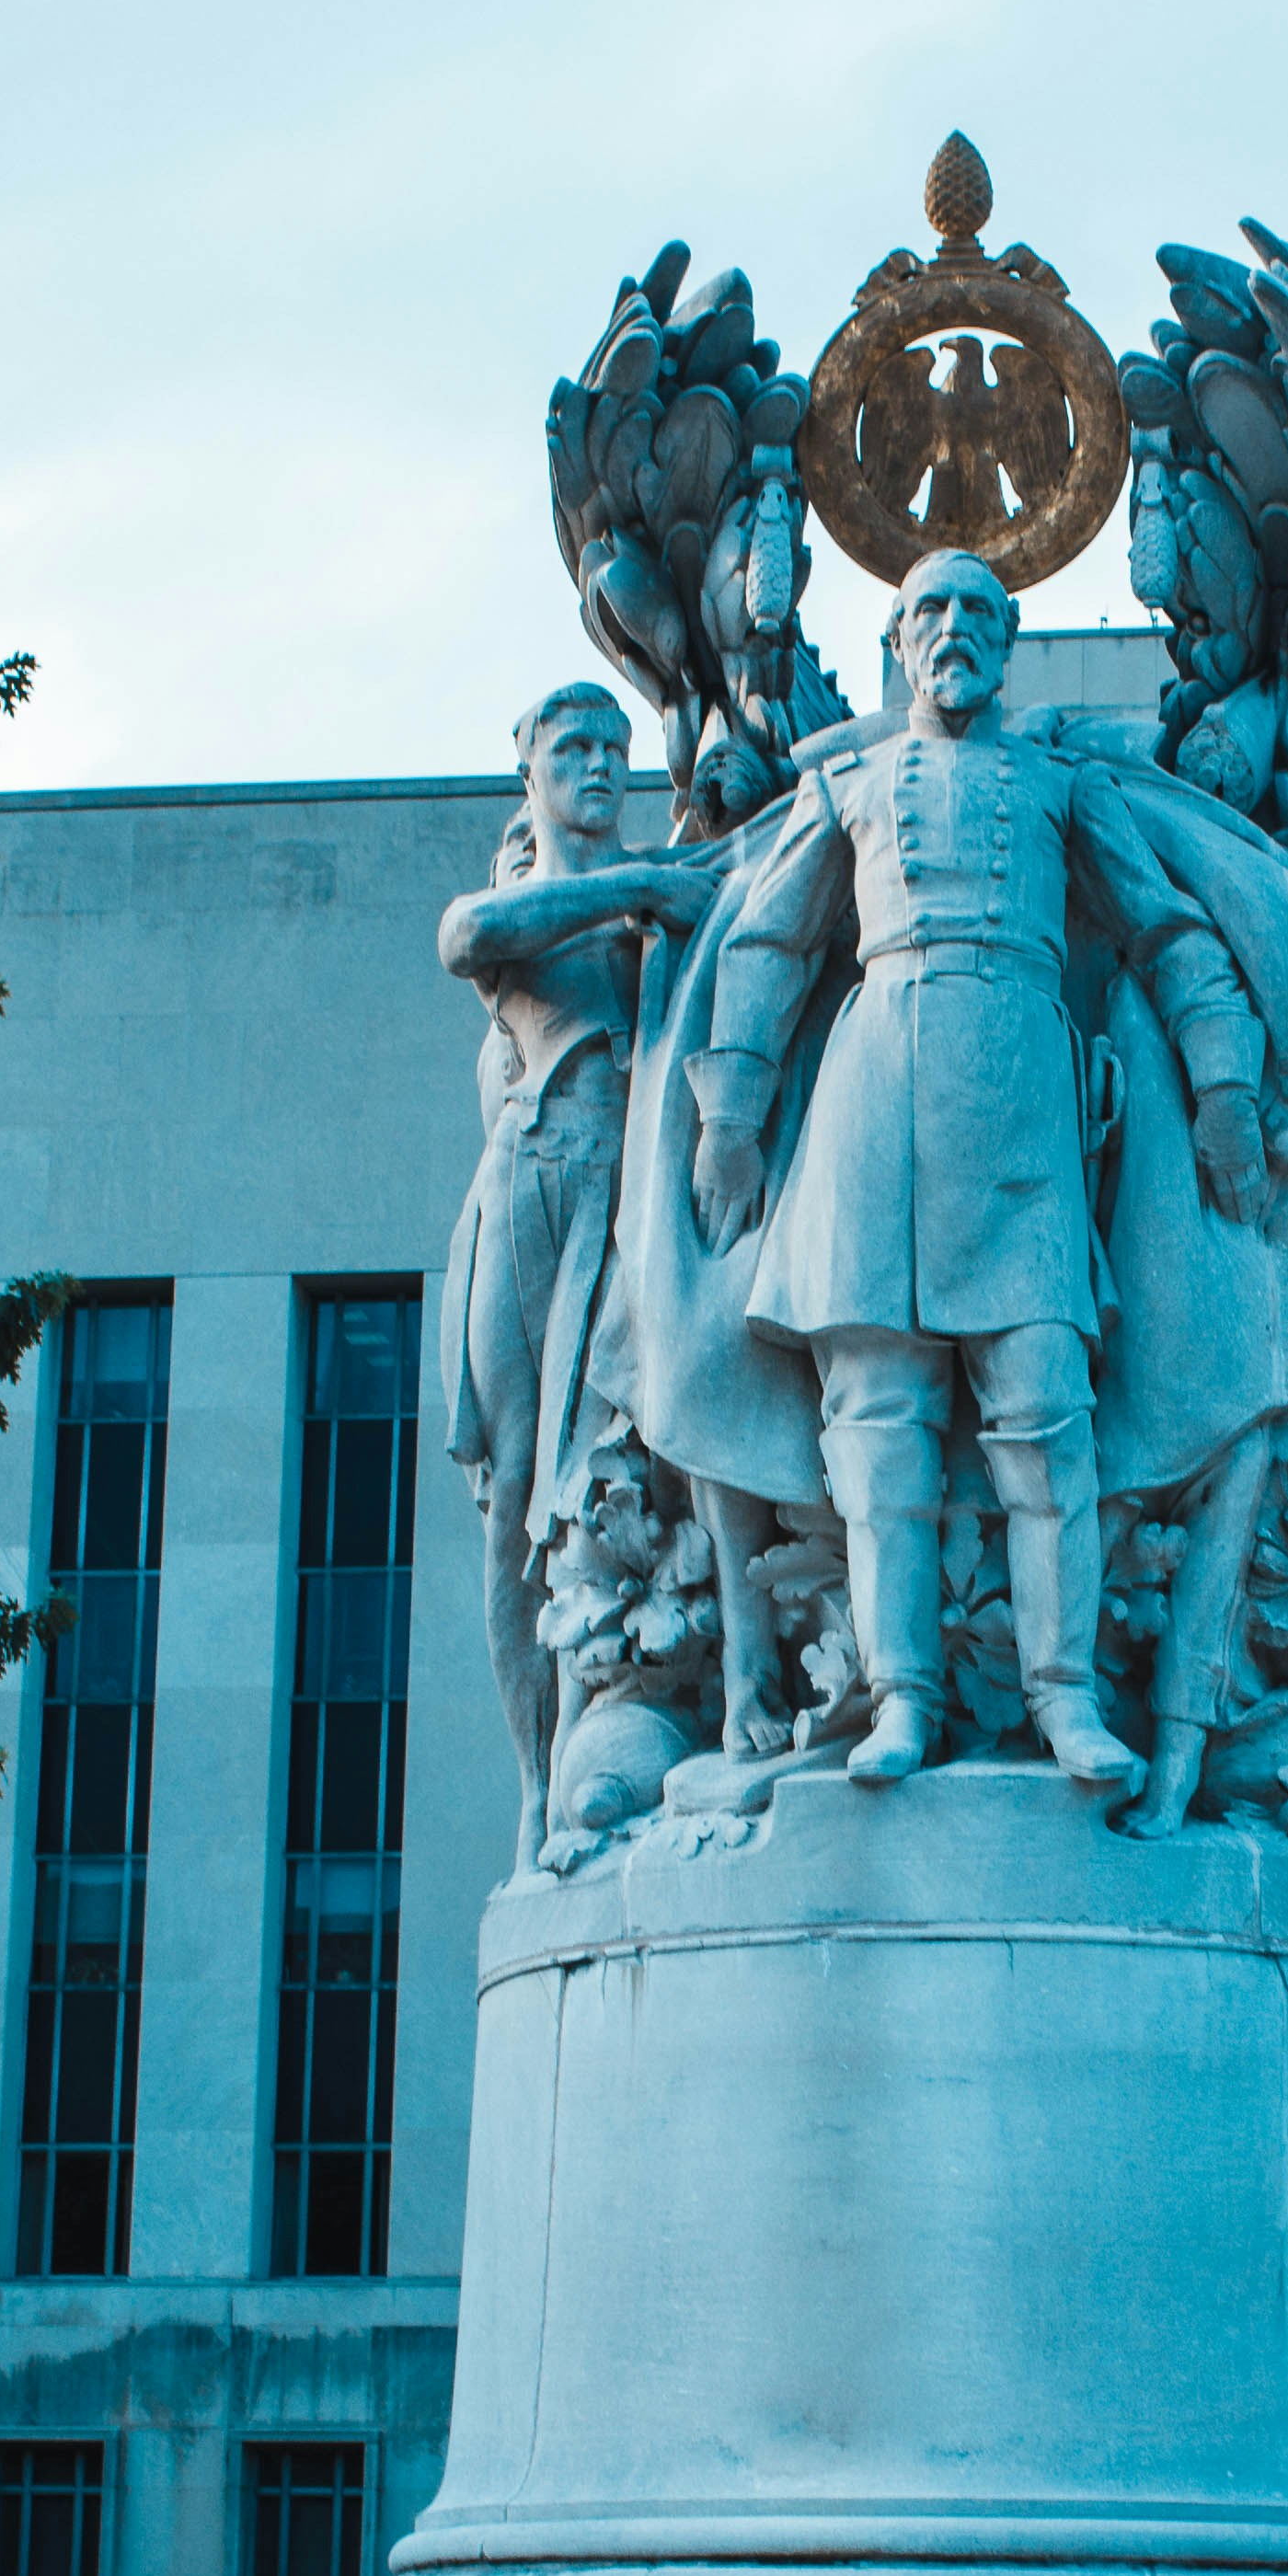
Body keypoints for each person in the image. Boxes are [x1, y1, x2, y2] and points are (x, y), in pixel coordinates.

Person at [681, 552, 1271, 1787]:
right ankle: (902, 1696)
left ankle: (1064, 1696)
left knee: (1046, 1412)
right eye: (931, 612)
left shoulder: (1058, 784)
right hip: (873, 1104)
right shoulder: (847, 780)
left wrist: (1223, 1085)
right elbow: (772, 945)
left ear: (1010, 641)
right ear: (897, 643)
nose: (956, 631)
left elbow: (1166, 927)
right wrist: (728, 1112)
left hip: (1019, 1104)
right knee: (879, 1423)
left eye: (981, 613)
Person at [431, 684, 716, 1868]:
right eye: (572, 749)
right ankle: (536, 1780)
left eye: (613, 748)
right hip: (532, 1197)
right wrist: (639, 887)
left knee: (596, 1485)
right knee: (511, 1509)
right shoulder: (537, 903)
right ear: (529, 768)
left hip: (627, 1206)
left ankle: (622, 1728)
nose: (599, 767)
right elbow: (468, 939)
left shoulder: (653, 890)